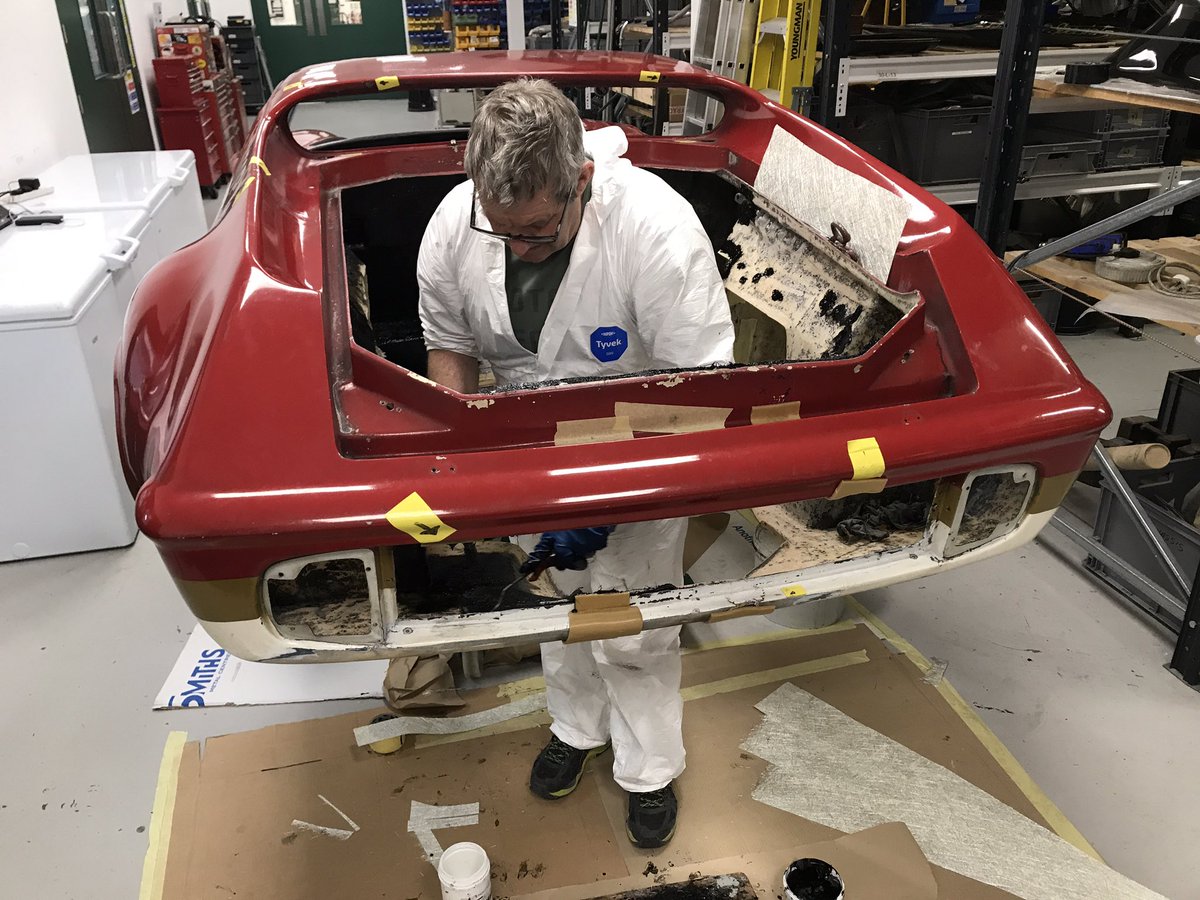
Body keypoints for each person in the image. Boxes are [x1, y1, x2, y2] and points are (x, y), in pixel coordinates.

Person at [417, 78, 734, 848]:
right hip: (529, 442)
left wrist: (608, 506)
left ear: (581, 180)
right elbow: (449, 343)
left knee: (634, 620)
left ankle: (648, 768)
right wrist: (459, 456)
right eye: (502, 231)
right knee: (558, 610)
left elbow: (701, 396)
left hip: (646, 437)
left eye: (533, 231)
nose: (515, 247)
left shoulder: (656, 230)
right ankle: (576, 728)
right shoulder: (460, 223)